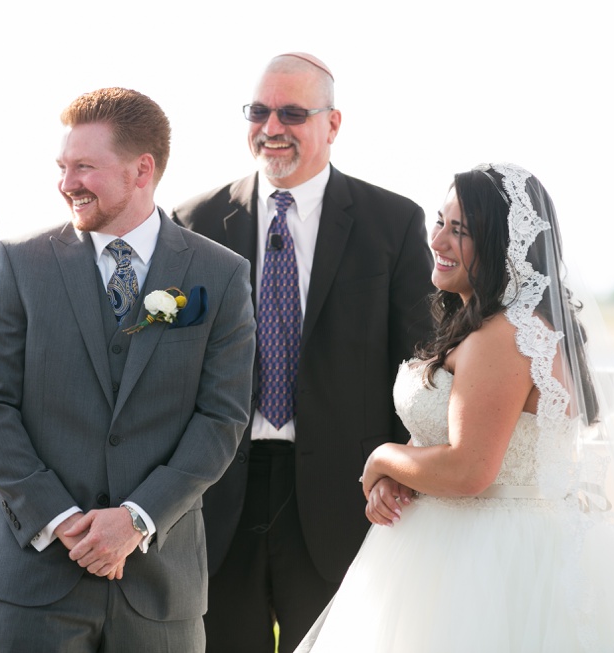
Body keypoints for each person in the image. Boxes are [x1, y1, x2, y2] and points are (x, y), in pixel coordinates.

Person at [296, 163, 614, 651]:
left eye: (459, 230)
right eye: (439, 222)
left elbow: (470, 469)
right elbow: (455, 439)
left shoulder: (502, 337)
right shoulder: (499, 326)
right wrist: (405, 475)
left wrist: (380, 459)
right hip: (461, 540)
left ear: (503, 244)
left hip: (484, 559)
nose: (437, 241)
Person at [0, 87, 255, 652]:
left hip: (162, 587)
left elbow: (221, 419)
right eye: (63, 166)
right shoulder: (18, 264)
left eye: (85, 167)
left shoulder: (218, 275)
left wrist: (137, 519)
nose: (67, 182)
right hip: (37, 582)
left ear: (142, 170)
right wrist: (62, 519)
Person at [171, 53, 434, 652]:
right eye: (259, 111)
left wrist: (404, 470)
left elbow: (420, 366)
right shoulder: (192, 223)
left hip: (344, 498)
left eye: (292, 112)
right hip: (216, 498)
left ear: (333, 124)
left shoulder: (390, 223)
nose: (272, 128)